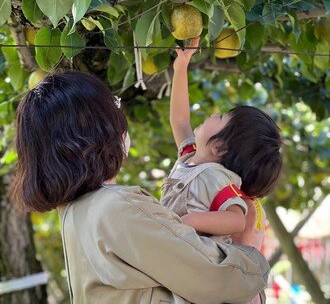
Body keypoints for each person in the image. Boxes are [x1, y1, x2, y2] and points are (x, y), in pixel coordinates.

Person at [11, 71, 269, 304]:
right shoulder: (118, 208)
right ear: (95, 129)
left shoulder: (75, 211)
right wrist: (248, 250)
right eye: (113, 106)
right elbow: (220, 278)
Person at [161, 37, 282, 247]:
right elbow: (180, 120)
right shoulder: (190, 156)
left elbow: (236, 220)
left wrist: (188, 221)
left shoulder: (217, 178)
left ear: (219, 147)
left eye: (221, 118)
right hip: (172, 248)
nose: (214, 114)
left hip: (194, 259)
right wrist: (181, 67)